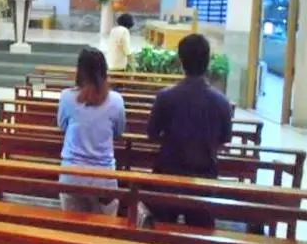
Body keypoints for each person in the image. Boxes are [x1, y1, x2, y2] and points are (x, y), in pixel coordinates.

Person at [146, 34, 232, 228]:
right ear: (208, 61)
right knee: (201, 236)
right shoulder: (221, 102)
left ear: (181, 61)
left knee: (163, 234)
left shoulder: (165, 97)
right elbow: (224, 140)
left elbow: (151, 133)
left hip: (167, 178)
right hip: (204, 179)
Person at [58, 47, 126, 215]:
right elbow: (119, 131)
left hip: (71, 174)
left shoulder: (67, 97)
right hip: (104, 177)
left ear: (79, 71)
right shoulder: (116, 100)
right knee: (105, 230)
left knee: (72, 228)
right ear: (104, 71)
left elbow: (62, 126)